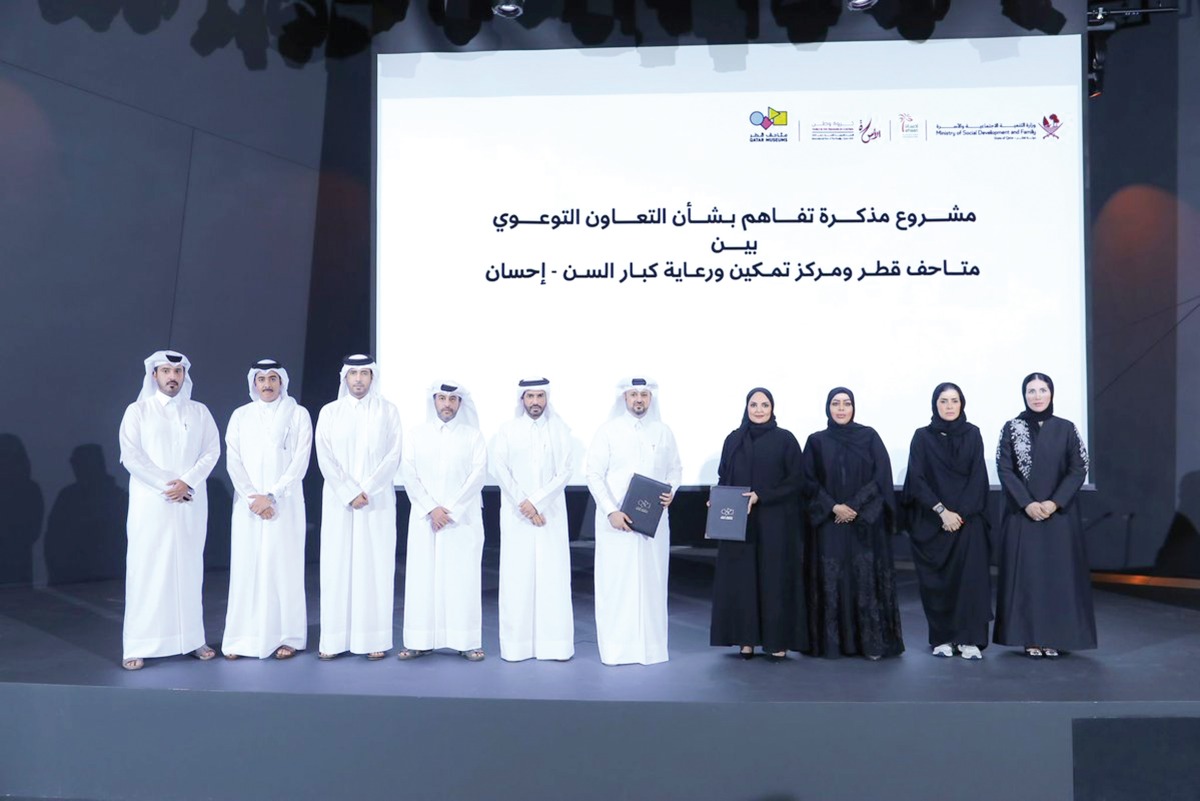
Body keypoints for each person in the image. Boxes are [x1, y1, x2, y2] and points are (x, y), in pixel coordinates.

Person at [118, 350, 221, 670]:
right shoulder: (137, 412)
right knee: (147, 569)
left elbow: (211, 451)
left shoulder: (199, 411)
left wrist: (187, 482)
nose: (172, 376)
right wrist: (169, 485)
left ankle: (190, 639)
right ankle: (137, 644)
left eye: (177, 371)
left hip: (190, 502)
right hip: (153, 504)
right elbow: (131, 457)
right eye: (166, 371)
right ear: (154, 375)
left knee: (189, 568)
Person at [994, 373, 1096, 658]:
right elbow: (1005, 469)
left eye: (1042, 390)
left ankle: (1054, 636)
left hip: (1058, 518)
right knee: (1027, 578)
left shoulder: (1066, 428)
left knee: (1057, 577)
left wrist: (1054, 502)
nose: (1037, 396)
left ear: (1051, 393)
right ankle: (1030, 638)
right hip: (1022, 516)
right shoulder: (1012, 428)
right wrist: (1027, 503)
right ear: (1024, 395)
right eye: (1031, 391)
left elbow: (1078, 468)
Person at [585, 377, 682, 666]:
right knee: (617, 585)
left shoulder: (663, 432)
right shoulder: (608, 432)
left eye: (643, 395)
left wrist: (672, 492)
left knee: (652, 584)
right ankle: (617, 651)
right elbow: (593, 474)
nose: (639, 400)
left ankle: (651, 651)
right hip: (616, 524)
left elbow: (675, 469)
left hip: (654, 524)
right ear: (624, 399)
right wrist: (610, 511)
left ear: (650, 399)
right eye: (633, 395)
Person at [803, 387, 904, 660]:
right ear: (828, 408)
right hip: (829, 523)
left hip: (864, 524)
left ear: (854, 407)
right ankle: (832, 645)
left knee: (864, 580)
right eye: (835, 404)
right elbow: (808, 481)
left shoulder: (869, 437)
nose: (841, 409)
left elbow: (880, 476)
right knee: (832, 580)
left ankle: (870, 644)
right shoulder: (816, 441)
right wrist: (834, 506)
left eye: (846, 404)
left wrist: (854, 507)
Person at [221, 359, 313, 661]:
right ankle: (240, 639)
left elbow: (300, 461)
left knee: (283, 568)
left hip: (283, 504)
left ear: (282, 382)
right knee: (247, 568)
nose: (267, 384)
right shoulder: (240, 416)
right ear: (253, 384)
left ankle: (287, 637)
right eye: (261, 379)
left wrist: (272, 495)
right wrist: (252, 497)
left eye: (273, 378)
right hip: (248, 505)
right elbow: (233, 459)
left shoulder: (298, 414)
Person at [314, 354, 403, 660]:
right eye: (353, 374)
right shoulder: (330, 412)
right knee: (337, 567)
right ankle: (334, 641)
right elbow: (324, 455)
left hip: (376, 502)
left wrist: (367, 489)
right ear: (345, 378)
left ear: (372, 377)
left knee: (375, 567)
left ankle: (373, 639)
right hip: (340, 502)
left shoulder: (388, 411)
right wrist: (349, 491)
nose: (359, 380)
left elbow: (393, 455)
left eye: (364, 374)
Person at [709, 388, 808, 660]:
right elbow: (723, 476)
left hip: (775, 524)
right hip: (739, 525)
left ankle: (776, 641)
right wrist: (717, 501)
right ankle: (746, 639)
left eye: (765, 405)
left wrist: (762, 495)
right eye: (754, 404)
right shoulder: (734, 439)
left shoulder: (785, 440)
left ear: (772, 408)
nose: (759, 409)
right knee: (742, 581)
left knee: (773, 580)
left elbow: (797, 480)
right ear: (747, 408)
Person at [398, 381, 488, 662]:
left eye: (452, 399)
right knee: (422, 579)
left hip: (462, 520)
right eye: (441, 398)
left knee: (463, 579)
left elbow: (478, 475)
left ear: (460, 404)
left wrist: (448, 510)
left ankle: (466, 641)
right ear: (433, 401)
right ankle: (419, 641)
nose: (447, 404)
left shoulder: (473, 436)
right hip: (425, 519)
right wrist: (430, 509)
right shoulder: (415, 435)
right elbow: (409, 474)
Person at [903, 382, 992, 659]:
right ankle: (942, 639)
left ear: (962, 403)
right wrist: (942, 512)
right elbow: (916, 479)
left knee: (970, 583)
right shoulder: (922, 437)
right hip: (934, 522)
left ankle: (970, 640)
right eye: (943, 401)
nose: (949, 406)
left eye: (954, 400)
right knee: (939, 584)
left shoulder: (973, 434)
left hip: (967, 523)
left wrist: (959, 515)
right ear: (935, 405)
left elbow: (978, 479)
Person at [490, 378, 575, 662]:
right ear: (521, 399)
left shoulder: (561, 430)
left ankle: (555, 646)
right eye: (530, 396)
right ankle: (517, 646)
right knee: (518, 579)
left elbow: (565, 471)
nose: (535, 401)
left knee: (553, 579)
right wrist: (525, 504)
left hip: (550, 515)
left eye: (540, 396)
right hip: (518, 516)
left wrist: (537, 502)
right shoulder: (507, 431)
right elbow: (499, 469)